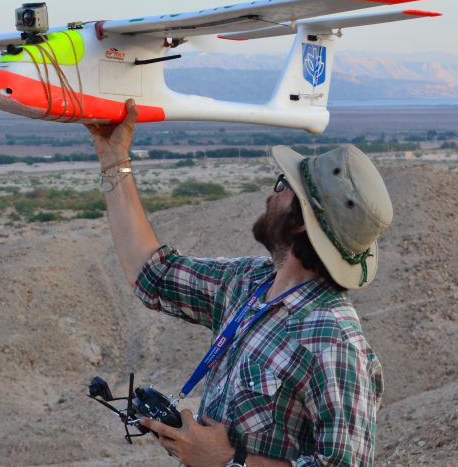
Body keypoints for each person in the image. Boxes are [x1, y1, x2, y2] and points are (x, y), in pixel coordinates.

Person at [85, 100, 390, 467]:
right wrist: (114, 160)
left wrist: (232, 460)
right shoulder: (249, 282)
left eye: (283, 186)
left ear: (299, 224)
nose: (271, 193)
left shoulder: (335, 343)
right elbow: (154, 276)